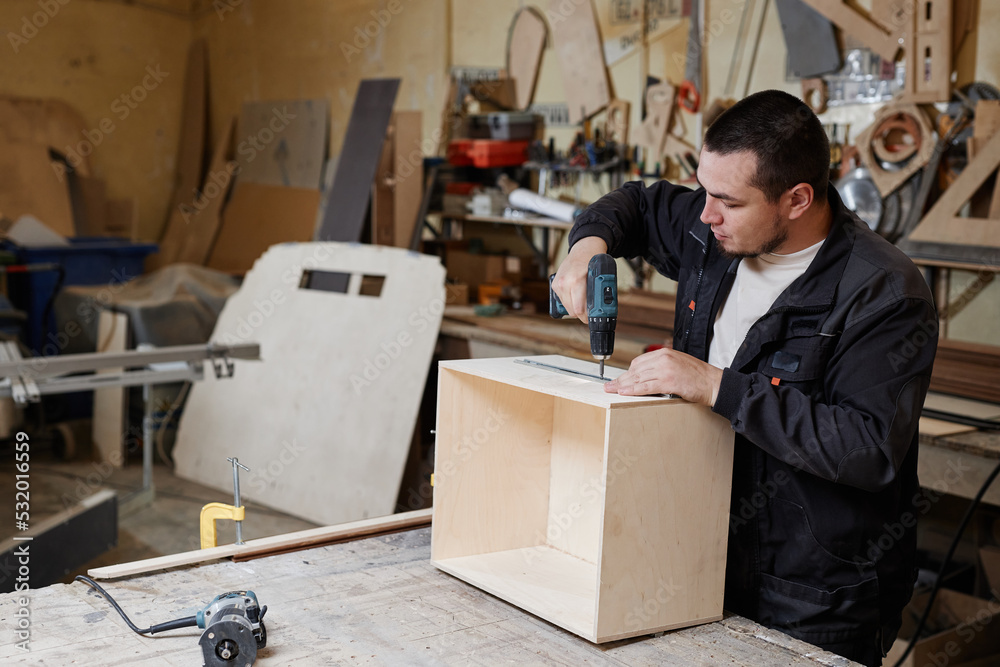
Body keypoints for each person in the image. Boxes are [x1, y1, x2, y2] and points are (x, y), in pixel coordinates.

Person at [552, 90, 938, 666]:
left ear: (797, 199)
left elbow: (866, 448)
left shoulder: (882, 292)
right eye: (703, 189)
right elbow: (636, 203)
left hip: (813, 597)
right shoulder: (712, 231)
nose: (705, 215)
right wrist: (585, 248)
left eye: (727, 201)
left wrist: (716, 386)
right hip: (700, 550)